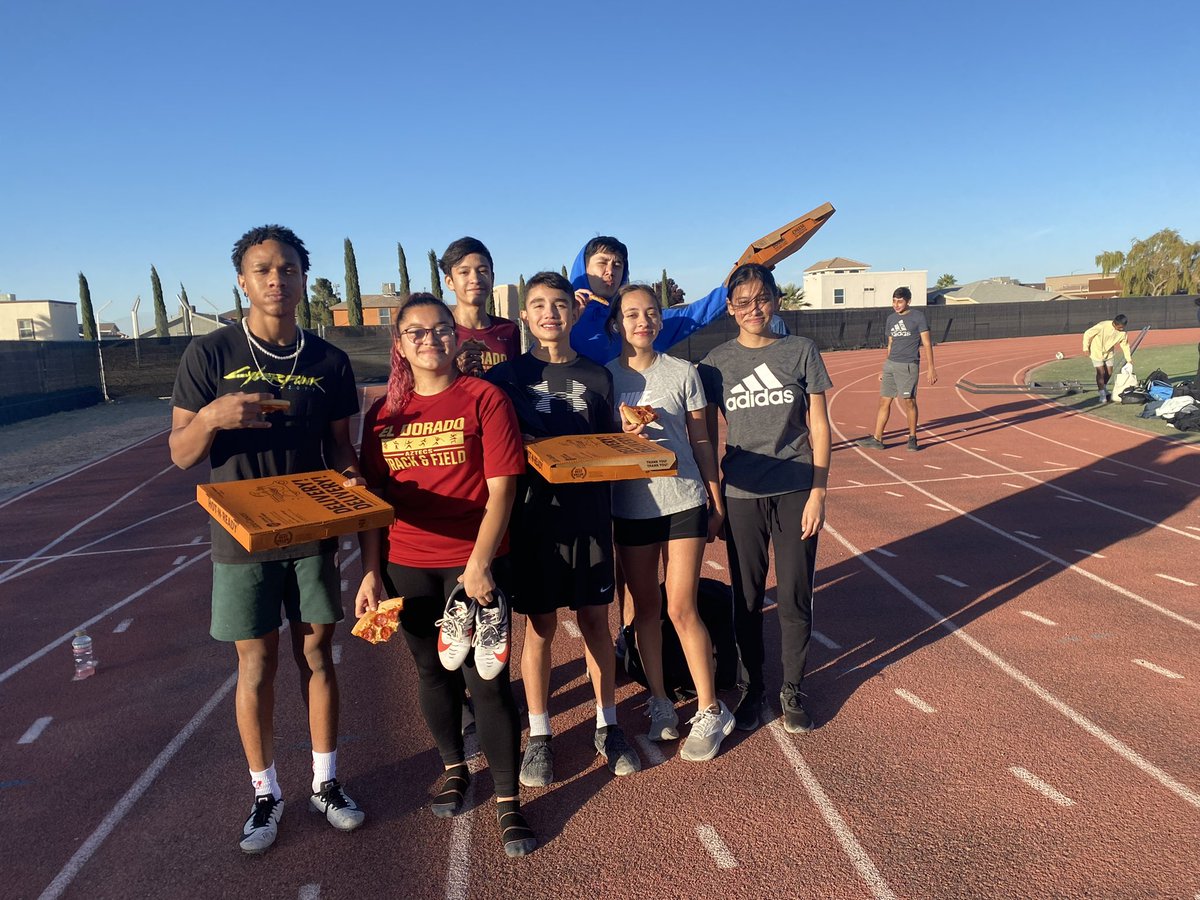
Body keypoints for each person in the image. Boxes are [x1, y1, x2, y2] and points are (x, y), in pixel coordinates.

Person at [169, 224, 366, 854]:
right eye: (263, 269)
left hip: (311, 531)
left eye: (288, 269)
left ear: (304, 279)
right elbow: (181, 453)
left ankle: (326, 783)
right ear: (242, 281)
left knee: (318, 655)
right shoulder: (209, 354)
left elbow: (340, 448)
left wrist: (353, 479)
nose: (276, 279)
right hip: (241, 538)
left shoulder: (329, 360)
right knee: (255, 662)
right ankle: (265, 793)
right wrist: (212, 416)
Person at [354, 293, 536, 858]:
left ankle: (508, 799)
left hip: (474, 564)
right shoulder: (382, 414)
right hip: (406, 563)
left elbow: (504, 489)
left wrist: (479, 564)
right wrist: (370, 572)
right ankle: (455, 768)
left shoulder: (485, 398)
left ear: (456, 338)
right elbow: (374, 501)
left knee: (487, 681)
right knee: (432, 674)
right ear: (400, 344)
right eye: (417, 332)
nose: (430, 340)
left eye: (440, 330)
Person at [486, 271, 642, 787]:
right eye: (538, 305)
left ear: (574, 313)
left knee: (596, 621)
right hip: (534, 521)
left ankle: (608, 725)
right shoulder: (506, 378)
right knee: (540, 627)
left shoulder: (598, 376)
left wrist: (629, 433)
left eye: (559, 304)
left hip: (588, 516)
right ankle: (539, 734)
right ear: (525, 316)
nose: (550, 313)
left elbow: (608, 444)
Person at [698, 263, 832, 734]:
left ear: (776, 300)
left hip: (795, 489)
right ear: (730, 308)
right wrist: (715, 501)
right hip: (742, 494)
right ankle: (752, 687)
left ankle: (792, 689)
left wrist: (818, 492)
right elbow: (705, 436)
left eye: (762, 299)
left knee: (794, 595)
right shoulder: (714, 364)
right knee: (748, 597)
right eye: (743, 302)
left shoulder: (801, 351)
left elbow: (819, 426)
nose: (753, 309)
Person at [605, 283, 734, 761]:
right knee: (645, 609)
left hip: (683, 501)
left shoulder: (683, 372)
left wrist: (714, 498)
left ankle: (709, 707)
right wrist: (622, 433)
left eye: (651, 313)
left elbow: (701, 441)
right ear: (616, 323)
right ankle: (660, 701)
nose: (643, 321)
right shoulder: (605, 378)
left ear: (661, 320)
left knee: (681, 607)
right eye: (632, 314)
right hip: (630, 506)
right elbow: (597, 445)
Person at [568, 236, 729, 364]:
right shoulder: (563, 319)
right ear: (584, 268)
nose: (610, 271)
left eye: (617, 264)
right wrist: (568, 316)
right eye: (602, 262)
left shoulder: (644, 319)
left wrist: (734, 284)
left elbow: (696, 314)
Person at [856, 286, 937, 451]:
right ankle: (877, 439)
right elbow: (890, 343)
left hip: (908, 365)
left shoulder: (918, 317)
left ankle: (912, 438)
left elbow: (927, 343)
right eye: (894, 301)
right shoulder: (891, 319)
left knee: (909, 401)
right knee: (884, 401)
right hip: (891, 365)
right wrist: (885, 366)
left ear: (908, 301)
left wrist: (931, 368)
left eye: (900, 301)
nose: (896, 304)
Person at [439, 236, 521, 374]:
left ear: (492, 278)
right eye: (464, 272)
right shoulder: (439, 334)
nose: (475, 279)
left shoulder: (509, 330)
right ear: (449, 282)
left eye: (482, 271)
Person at [1081, 314, 1131, 403]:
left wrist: (1129, 359)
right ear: (1115, 324)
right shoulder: (1102, 326)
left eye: (1123, 327)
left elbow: (1125, 345)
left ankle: (1103, 387)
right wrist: (1085, 348)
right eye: (1120, 327)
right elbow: (1087, 333)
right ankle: (1102, 394)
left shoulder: (1123, 333)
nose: (1122, 329)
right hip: (1096, 351)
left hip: (1109, 353)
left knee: (1109, 372)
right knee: (1101, 372)